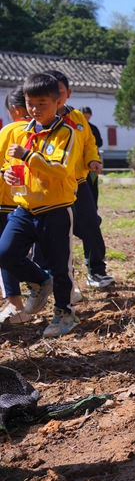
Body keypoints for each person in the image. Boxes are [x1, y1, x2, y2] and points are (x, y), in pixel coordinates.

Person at [0, 73, 79, 337]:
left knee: (60, 266)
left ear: (58, 102)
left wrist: (28, 156)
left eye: (42, 103)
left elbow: (60, 168)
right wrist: (8, 174)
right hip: (24, 208)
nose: (34, 109)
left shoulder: (66, 133)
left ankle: (65, 314)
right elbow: (13, 164)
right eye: (30, 103)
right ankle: (39, 281)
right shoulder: (22, 132)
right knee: (5, 252)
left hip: (55, 209)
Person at [44, 70, 114, 288]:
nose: (56, 97)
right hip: (53, 185)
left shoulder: (77, 118)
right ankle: (53, 277)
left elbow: (89, 143)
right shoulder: (40, 122)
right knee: (56, 230)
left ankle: (96, 271)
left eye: (60, 91)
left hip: (79, 183)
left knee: (91, 224)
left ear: (68, 93)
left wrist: (92, 159)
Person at [0, 87, 31, 325]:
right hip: (36, 201)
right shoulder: (45, 131)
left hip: (6, 200)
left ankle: (15, 303)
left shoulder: (9, 131)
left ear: (15, 109)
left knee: (5, 252)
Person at [81, 106, 103, 206]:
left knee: (93, 185)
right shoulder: (76, 128)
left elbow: (100, 142)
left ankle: (94, 208)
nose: (86, 119)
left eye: (88, 117)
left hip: (92, 162)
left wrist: (90, 147)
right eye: (84, 117)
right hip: (80, 163)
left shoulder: (93, 128)